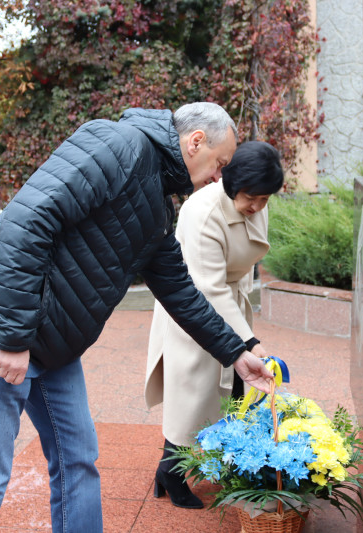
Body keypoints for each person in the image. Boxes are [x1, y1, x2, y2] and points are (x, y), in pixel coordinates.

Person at [0, 103, 275, 533]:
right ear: (195, 142)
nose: (219, 177)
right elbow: (26, 223)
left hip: (55, 343)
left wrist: (236, 353)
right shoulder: (118, 145)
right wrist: (13, 338)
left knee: (78, 459)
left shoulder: (158, 206)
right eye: (220, 163)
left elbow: (180, 292)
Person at [144, 141, 284, 508]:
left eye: (265, 199)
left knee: (231, 390)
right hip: (193, 310)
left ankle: (221, 462)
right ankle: (171, 472)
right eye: (251, 198)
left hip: (228, 305)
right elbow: (210, 288)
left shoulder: (253, 201)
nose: (257, 207)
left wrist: (246, 338)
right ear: (231, 182)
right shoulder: (202, 213)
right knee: (192, 396)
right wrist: (250, 342)